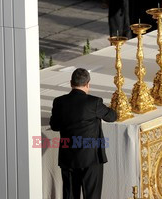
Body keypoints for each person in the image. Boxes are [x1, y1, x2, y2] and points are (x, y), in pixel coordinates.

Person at [49, 68, 117, 199]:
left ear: (70, 83)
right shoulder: (94, 102)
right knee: (92, 196)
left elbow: (55, 126)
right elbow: (112, 116)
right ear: (88, 84)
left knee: (70, 195)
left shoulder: (59, 102)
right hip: (91, 158)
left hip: (68, 158)